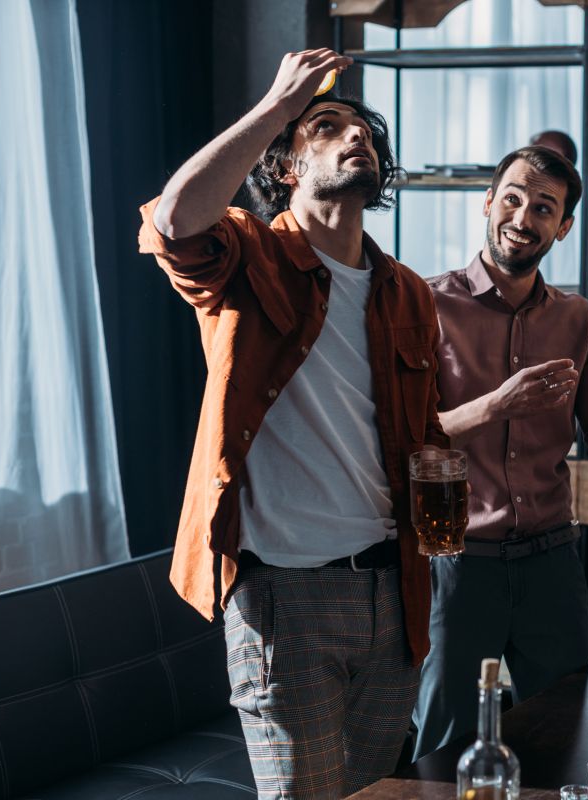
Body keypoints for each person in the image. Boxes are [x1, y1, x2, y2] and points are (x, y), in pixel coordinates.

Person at [137, 49, 447, 797]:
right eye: (328, 127)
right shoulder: (247, 252)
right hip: (285, 598)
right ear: (285, 167)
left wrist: (436, 555)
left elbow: (423, 439)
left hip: (396, 590)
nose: (355, 139)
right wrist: (281, 104)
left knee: (378, 793)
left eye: (366, 135)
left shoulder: (406, 291)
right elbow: (174, 219)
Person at [412, 146, 588, 756]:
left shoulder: (580, 319)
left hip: (553, 563)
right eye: (514, 198)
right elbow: (407, 438)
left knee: (568, 733)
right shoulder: (425, 305)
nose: (524, 217)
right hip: (458, 564)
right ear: (488, 202)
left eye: (544, 207)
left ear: (563, 227)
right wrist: (496, 404)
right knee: (445, 741)